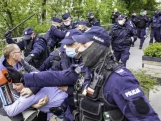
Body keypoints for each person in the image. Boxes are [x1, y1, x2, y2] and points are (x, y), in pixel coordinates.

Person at [8, 26, 160, 121]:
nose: (78, 49)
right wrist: (24, 77)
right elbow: (56, 76)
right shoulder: (86, 69)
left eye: (84, 44)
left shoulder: (120, 80)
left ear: (99, 47)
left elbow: (147, 117)